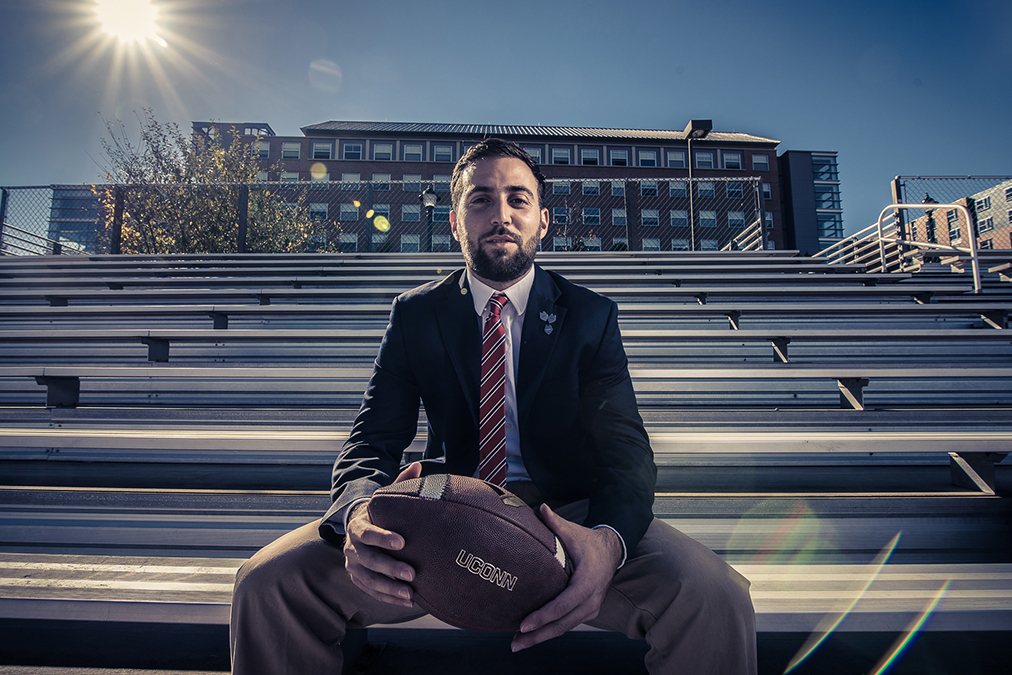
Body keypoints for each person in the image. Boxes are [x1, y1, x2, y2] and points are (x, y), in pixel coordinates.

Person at [230, 139, 757, 675]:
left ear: (543, 220)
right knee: (269, 582)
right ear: (456, 222)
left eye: (518, 199)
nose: (500, 215)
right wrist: (359, 513)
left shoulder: (590, 317)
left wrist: (607, 543)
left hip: (568, 517)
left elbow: (626, 454)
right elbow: (372, 440)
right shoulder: (416, 315)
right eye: (480, 200)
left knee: (715, 597)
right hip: (443, 518)